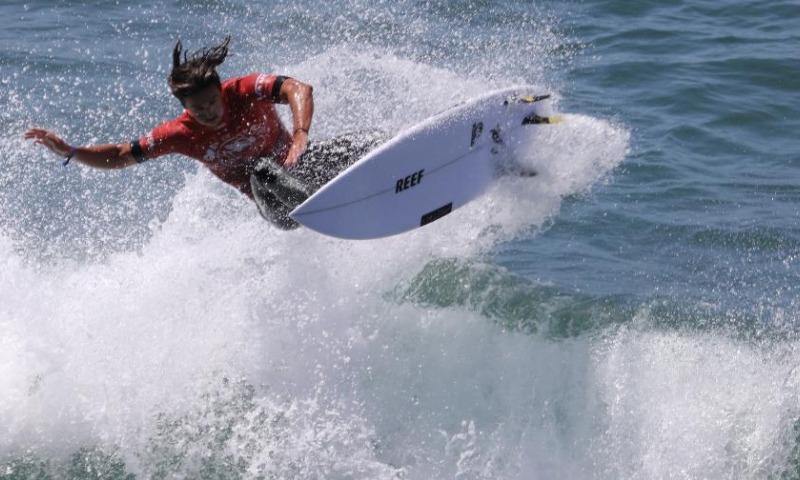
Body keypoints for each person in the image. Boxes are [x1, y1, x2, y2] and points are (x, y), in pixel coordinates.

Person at [24, 36, 385, 229]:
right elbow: (121, 155)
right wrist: (70, 150)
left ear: (219, 89)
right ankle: (326, 208)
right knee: (262, 170)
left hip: (301, 169)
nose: (209, 112)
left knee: (367, 143)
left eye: (212, 103)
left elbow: (298, 89)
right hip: (279, 207)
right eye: (198, 109)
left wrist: (301, 134)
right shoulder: (179, 134)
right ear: (185, 108)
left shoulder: (242, 90)